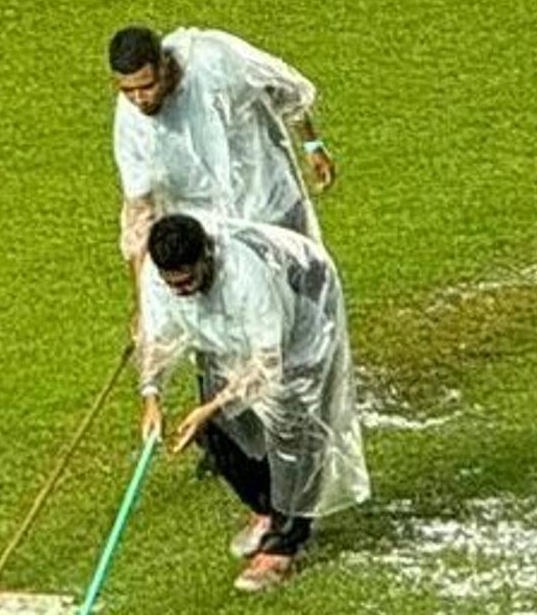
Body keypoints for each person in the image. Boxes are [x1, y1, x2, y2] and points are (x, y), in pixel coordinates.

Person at [137, 212, 369, 591]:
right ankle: (265, 509)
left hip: (302, 307)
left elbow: (268, 362)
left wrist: (210, 407)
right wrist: (151, 397)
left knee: (291, 420)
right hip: (229, 326)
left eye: (188, 281)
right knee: (217, 430)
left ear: (205, 259)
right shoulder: (159, 274)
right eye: (172, 284)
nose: (180, 291)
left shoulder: (247, 277)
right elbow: (159, 338)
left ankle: (286, 543)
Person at [111, 23, 331, 266]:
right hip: (208, 230)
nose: (139, 99)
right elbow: (139, 210)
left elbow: (285, 89)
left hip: (268, 200)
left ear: (164, 65)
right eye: (128, 90)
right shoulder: (131, 121)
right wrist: (141, 299)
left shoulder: (217, 60)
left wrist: (312, 145)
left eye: (147, 86)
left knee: (304, 280)